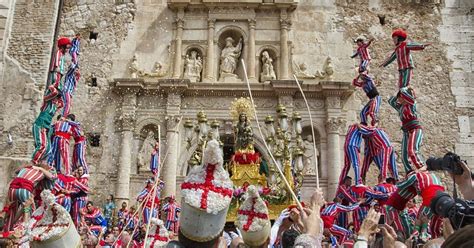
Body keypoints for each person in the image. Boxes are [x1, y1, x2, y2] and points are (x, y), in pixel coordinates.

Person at [1, 160, 57, 231]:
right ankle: (26, 232)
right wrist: (41, 169)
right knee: (29, 211)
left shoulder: (26, 168)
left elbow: (16, 172)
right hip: (24, 190)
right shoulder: (41, 172)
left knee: (11, 211)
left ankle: (6, 230)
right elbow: (53, 177)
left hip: (12, 189)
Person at [396, 169, 445, 239]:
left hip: (430, 200)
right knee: (434, 228)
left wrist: (396, 184)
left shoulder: (415, 175)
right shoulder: (433, 175)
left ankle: (418, 240)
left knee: (419, 222)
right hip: (443, 199)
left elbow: (401, 185)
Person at [389, 87, 424, 173]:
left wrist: (404, 87)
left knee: (412, 151)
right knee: (404, 156)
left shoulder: (411, 104)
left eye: (400, 97)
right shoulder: (401, 108)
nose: (398, 99)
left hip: (415, 129)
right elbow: (390, 101)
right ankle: (409, 171)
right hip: (406, 132)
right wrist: (397, 94)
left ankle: (422, 167)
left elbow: (405, 94)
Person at [31, 85, 63, 165]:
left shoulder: (55, 107)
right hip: (40, 125)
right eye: (56, 98)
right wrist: (52, 86)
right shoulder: (47, 102)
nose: (57, 100)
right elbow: (54, 92)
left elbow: (62, 104)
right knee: (42, 146)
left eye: (58, 98)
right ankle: (34, 163)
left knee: (48, 149)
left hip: (46, 128)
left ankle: (40, 163)